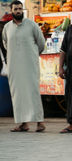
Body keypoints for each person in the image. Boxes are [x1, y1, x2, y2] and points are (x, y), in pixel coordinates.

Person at [2, 0, 46, 132]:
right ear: (11, 11)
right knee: (17, 94)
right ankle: (23, 124)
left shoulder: (31, 25)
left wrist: (31, 55)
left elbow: (41, 43)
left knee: (33, 92)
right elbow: (5, 44)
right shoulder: (7, 27)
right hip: (14, 66)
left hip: (29, 65)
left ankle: (40, 123)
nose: (18, 11)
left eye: (20, 9)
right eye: (16, 9)